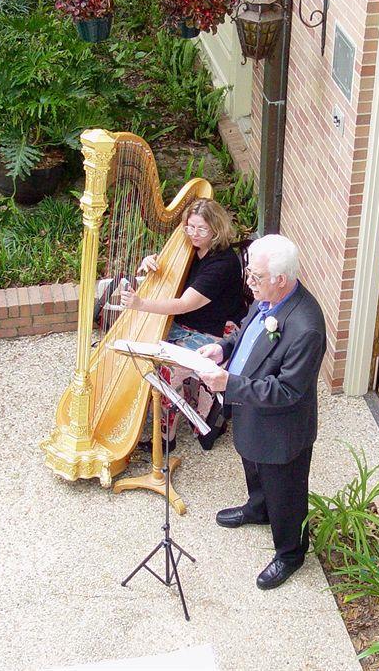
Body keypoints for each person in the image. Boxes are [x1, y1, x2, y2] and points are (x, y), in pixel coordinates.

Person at [194, 235, 326, 590]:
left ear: (280, 280)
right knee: (253, 465)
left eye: (255, 277)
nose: (249, 283)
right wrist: (223, 349)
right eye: (249, 274)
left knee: (287, 492)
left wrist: (228, 385)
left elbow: (288, 390)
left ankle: (291, 552)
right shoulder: (265, 299)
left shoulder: (306, 328)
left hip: (281, 429)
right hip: (252, 414)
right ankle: (258, 508)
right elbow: (247, 336)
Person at [121, 198, 246, 450]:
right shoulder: (189, 250)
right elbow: (169, 277)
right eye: (189, 227)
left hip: (214, 331)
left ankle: (166, 440)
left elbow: (183, 304)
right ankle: (140, 409)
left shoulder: (222, 263)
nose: (194, 234)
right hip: (186, 323)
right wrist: (149, 264)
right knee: (132, 346)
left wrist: (141, 304)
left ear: (216, 229)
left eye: (201, 229)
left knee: (164, 364)